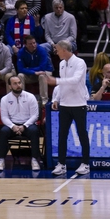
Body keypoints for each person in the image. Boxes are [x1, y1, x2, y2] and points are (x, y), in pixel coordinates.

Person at [42, 39, 88, 176]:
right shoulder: (62, 64)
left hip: (79, 104)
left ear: (64, 49)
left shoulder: (80, 63)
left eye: (57, 49)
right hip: (65, 105)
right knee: (62, 135)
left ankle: (85, 163)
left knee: (82, 135)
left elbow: (74, 81)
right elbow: (62, 85)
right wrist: (56, 98)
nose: (55, 52)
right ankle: (61, 164)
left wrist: (55, 80)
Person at [0, 74, 41, 173]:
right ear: (10, 86)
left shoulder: (30, 97)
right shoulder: (4, 99)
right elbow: (4, 117)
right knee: (3, 132)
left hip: (28, 124)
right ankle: (1, 160)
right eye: (15, 84)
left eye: (19, 83)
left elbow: (35, 115)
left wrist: (24, 126)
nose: (18, 85)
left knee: (34, 131)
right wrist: (13, 126)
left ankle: (34, 159)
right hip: (12, 124)